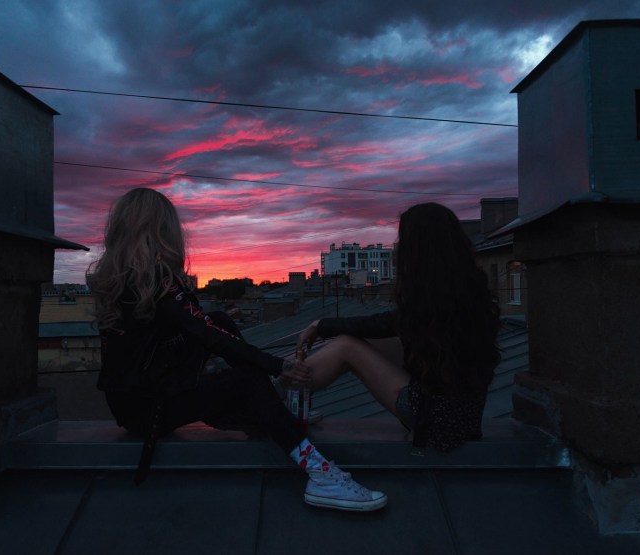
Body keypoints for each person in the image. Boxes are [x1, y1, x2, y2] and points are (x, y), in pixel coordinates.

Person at [86, 187, 386, 511]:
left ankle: (266, 404)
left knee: (220, 321)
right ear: (162, 229)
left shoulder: (121, 279)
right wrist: (278, 366)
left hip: (134, 405)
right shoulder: (155, 280)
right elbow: (208, 336)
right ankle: (320, 474)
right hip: (153, 410)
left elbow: (207, 329)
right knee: (242, 379)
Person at [295, 202, 501, 452]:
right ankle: (285, 393)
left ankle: (278, 398)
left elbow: (388, 322)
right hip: (460, 419)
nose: (398, 246)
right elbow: (392, 325)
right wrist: (328, 326)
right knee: (363, 340)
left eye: (403, 238)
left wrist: (323, 324)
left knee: (346, 346)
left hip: (434, 419)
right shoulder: (463, 292)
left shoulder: (440, 299)